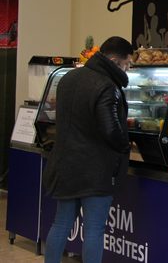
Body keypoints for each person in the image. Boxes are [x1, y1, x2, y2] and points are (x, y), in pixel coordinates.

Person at [43, 36, 134, 263]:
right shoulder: (106, 85)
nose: (127, 69)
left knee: (61, 224)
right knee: (94, 229)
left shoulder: (68, 77)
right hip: (95, 170)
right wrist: (126, 145)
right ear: (115, 61)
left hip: (65, 165)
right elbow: (110, 129)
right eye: (127, 64)